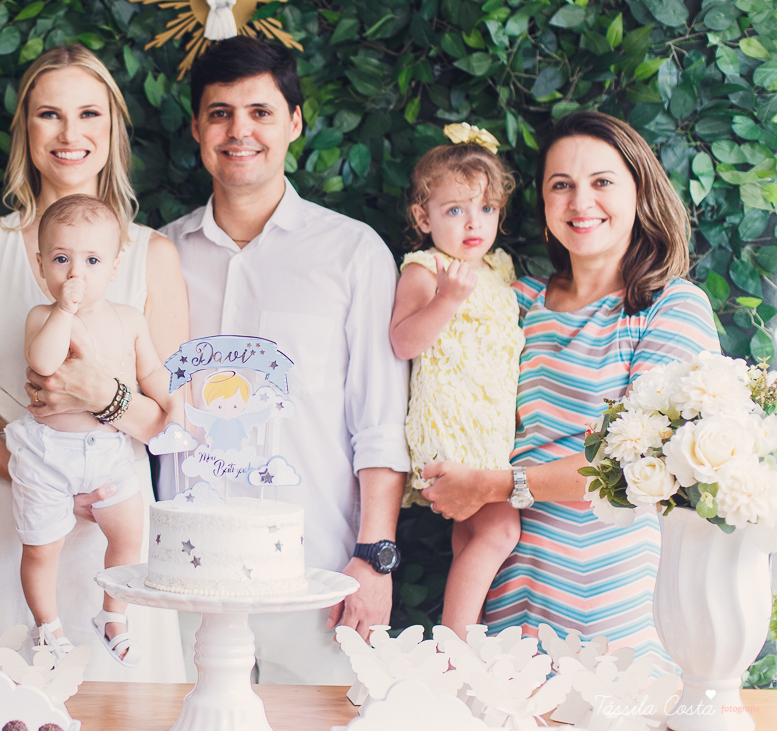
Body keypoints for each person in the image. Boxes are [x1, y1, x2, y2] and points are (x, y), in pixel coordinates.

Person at [0, 44, 187, 681]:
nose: (70, 134)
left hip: (114, 506)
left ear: (112, 128)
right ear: (24, 131)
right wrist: (32, 469)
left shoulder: (151, 255)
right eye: (48, 115)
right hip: (10, 503)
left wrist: (108, 399)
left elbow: (171, 418)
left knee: (123, 705)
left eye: (89, 114)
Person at [148, 36, 410, 684]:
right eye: (220, 113)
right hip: (183, 579)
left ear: (295, 121)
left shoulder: (353, 254)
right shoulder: (155, 255)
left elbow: (379, 423)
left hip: (316, 580)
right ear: (196, 128)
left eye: (261, 112)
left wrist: (374, 560)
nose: (241, 131)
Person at [420, 111, 718, 670]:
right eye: (562, 185)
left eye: (602, 182)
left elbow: (637, 467)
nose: (581, 202)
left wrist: (491, 485)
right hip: (510, 612)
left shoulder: (671, 308)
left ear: (639, 190)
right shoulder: (513, 301)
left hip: (624, 619)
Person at [14, 195, 174, 665]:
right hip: (49, 453)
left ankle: (113, 615)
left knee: (129, 533)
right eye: (62, 260)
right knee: (43, 548)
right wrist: (64, 311)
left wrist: (174, 402)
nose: (75, 274)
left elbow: (153, 373)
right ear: (41, 265)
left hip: (109, 448)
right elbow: (43, 363)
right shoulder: (42, 317)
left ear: (115, 266)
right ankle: (47, 625)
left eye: (91, 260)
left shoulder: (129, 319)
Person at [389, 132, 524, 635]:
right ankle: (456, 644)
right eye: (454, 211)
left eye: (487, 208)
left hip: (487, 424)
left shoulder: (498, 268)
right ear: (424, 218)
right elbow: (403, 343)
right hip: (450, 422)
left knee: (472, 535)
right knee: (501, 527)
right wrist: (444, 299)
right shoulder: (426, 271)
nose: (474, 223)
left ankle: (465, 641)